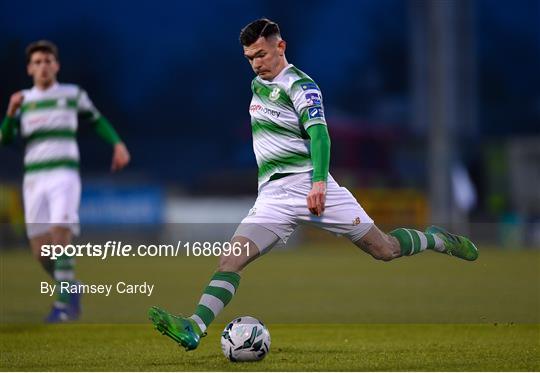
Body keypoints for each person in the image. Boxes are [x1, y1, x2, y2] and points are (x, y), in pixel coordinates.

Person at [148, 18, 478, 350]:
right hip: (273, 198)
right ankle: (194, 326)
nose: (256, 64)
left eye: (261, 54)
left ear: (281, 46)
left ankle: (435, 238)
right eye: (249, 58)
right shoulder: (258, 85)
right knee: (230, 259)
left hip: (312, 187)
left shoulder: (301, 86)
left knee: (385, 249)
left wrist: (319, 182)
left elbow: (320, 134)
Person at [0, 40, 130, 322]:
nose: (43, 66)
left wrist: (117, 144)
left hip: (64, 176)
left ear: (56, 65)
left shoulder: (72, 94)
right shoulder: (22, 100)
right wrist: (10, 114)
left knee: (60, 236)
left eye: (48, 61)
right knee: (40, 252)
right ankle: (70, 286)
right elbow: (6, 139)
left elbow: (96, 120)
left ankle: (63, 307)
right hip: (34, 180)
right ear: (29, 69)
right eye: (37, 62)